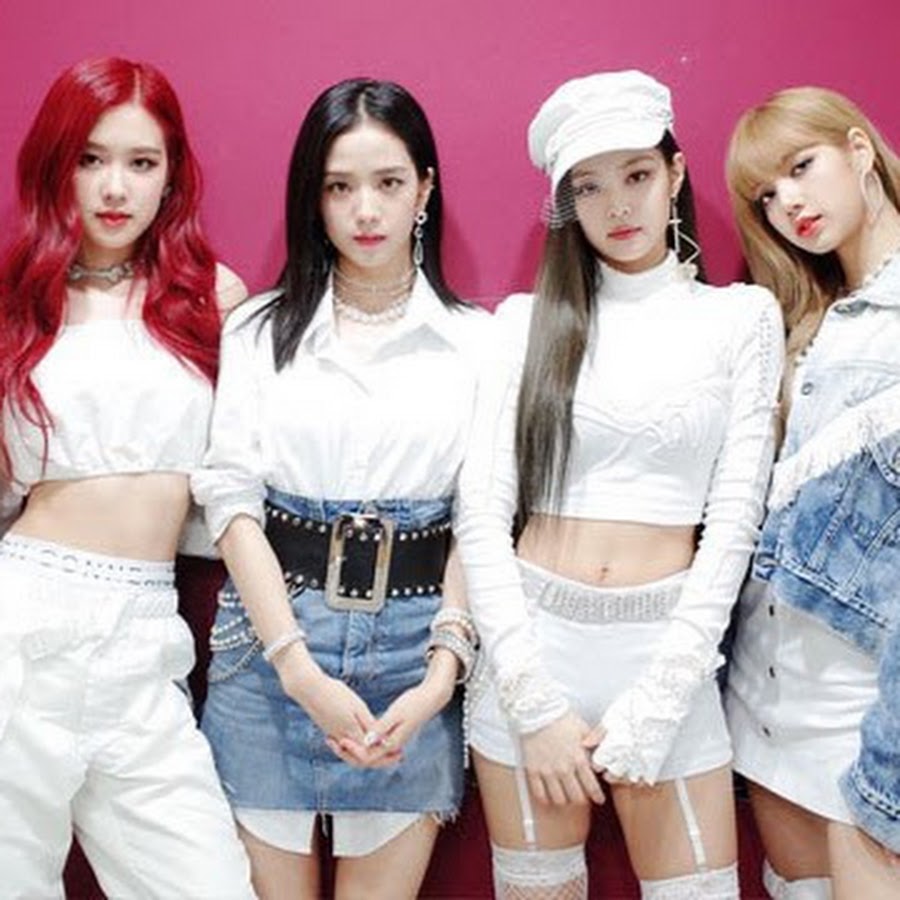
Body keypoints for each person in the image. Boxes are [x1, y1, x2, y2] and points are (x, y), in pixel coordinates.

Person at [454, 70, 784, 899]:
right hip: (532, 647)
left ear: (675, 172)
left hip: (668, 646)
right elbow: (482, 515)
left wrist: (667, 692)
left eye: (637, 174)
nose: (618, 206)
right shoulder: (523, 325)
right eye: (589, 187)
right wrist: (532, 702)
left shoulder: (740, 319)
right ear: (567, 204)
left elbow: (735, 520)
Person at [193, 78, 485, 900]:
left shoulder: (478, 343)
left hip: (415, 654)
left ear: (424, 189)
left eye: (388, 182)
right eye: (339, 186)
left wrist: (441, 678)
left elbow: (482, 519)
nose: (365, 210)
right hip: (270, 648)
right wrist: (297, 670)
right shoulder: (257, 331)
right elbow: (231, 503)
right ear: (312, 198)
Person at [0, 57, 253, 897]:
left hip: (146, 635)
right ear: (57, 166)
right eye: (91, 159)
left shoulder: (210, 298)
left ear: (170, 176)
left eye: (141, 162)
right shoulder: (16, 305)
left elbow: (238, 477)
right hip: (22, 624)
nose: (115, 187)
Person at [725, 86, 900, 900]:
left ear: (860, 150)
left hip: (865, 695)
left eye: (801, 166)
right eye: (767, 194)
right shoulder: (804, 321)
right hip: (766, 685)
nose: (787, 203)